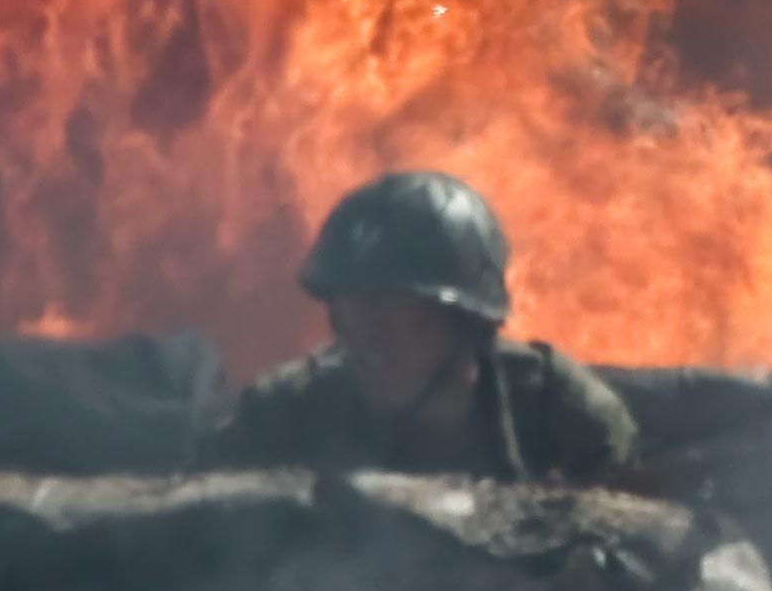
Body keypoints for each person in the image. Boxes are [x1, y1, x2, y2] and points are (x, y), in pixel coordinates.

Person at [206, 169, 643, 483]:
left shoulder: (563, 413)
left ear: (468, 324)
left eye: (388, 308)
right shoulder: (285, 412)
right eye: (348, 311)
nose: (364, 338)